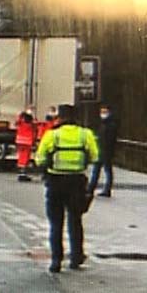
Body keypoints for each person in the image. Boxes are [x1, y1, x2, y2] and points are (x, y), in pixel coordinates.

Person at [35, 103, 99, 273]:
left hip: (55, 182)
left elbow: (39, 158)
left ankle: (56, 260)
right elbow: (94, 156)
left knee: (56, 223)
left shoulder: (52, 135)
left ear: (59, 118)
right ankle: (76, 257)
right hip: (76, 182)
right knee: (75, 221)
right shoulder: (85, 135)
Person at [89, 103, 118, 197]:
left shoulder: (111, 125)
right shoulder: (103, 124)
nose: (102, 114)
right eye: (101, 112)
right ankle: (91, 188)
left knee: (105, 170)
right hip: (100, 151)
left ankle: (104, 189)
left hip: (106, 151)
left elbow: (110, 140)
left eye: (105, 112)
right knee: (97, 171)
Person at [15, 110, 36, 182]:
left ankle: (21, 173)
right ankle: (23, 174)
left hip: (19, 142)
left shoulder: (21, 123)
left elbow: (17, 121)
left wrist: (22, 114)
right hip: (27, 143)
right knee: (25, 158)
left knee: (21, 156)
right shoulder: (31, 125)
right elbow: (34, 134)